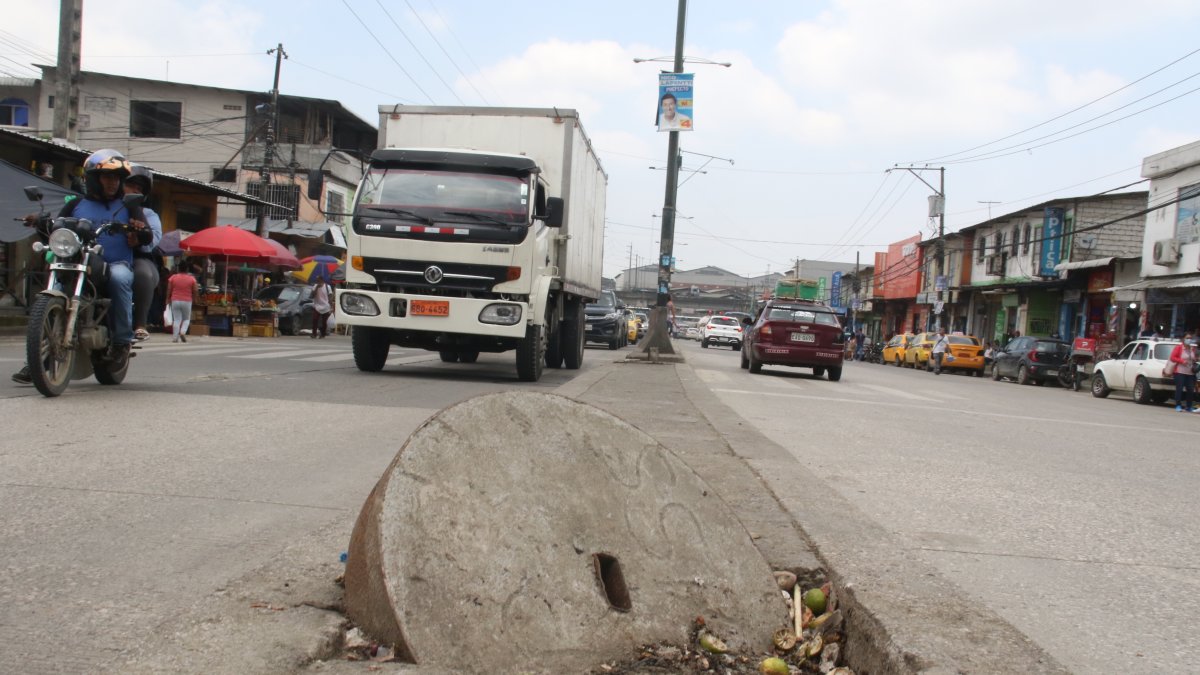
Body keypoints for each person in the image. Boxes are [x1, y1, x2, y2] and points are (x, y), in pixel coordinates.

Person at [12, 149, 142, 384]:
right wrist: (41, 221)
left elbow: (145, 234)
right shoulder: (76, 204)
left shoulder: (128, 205)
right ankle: (38, 360)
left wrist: (138, 232)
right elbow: (57, 227)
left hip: (115, 263)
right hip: (80, 260)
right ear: (93, 178)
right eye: (107, 177)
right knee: (57, 284)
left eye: (116, 178)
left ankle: (122, 342)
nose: (112, 182)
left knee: (120, 279)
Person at [124, 163, 163, 342]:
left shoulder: (147, 214)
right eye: (130, 185)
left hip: (137, 258)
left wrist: (139, 239)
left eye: (139, 189)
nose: (135, 191)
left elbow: (152, 239)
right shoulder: (103, 207)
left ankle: (140, 323)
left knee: (142, 274)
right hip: (103, 256)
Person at [166, 263, 198, 343]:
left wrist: (167, 298)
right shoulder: (192, 279)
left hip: (175, 300)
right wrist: (195, 298)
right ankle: (183, 332)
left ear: (178, 269)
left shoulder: (173, 277)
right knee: (186, 319)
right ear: (187, 269)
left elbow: (169, 289)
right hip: (187, 301)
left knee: (176, 319)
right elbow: (195, 290)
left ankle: (175, 338)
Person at [1167, 333, 1197, 412]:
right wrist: (1181, 361)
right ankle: (1178, 405)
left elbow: (1194, 358)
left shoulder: (1192, 348)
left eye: (1190, 338)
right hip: (1180, 372)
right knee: (1179, 389)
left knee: (1190, 389)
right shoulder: (1179, 347)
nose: (1189, 340)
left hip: (1190, 373)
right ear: (1183, 339)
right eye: (1187, 338)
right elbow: (1172, 357)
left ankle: (1189, 406)